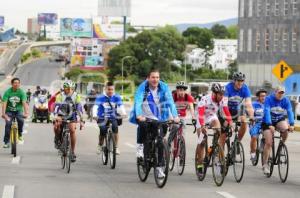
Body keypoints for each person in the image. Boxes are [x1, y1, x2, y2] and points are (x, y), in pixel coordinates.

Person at [130, 69, 180, 179]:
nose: (155, 79)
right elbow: (138, 101)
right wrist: (139, 115)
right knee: (142, 127)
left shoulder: (164, 87)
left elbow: (170, 102)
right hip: (145, 117)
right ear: (148, 78)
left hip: (160, 118)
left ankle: (159, 168)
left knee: (160, 142)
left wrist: (175, 116)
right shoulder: (143, 87)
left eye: (157, 77)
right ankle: (140, 146)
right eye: (153, 77)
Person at [195, 83, 232, 176]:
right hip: (201, 117)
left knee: (219, 130)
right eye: (220, 94)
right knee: (202, 141)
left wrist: (230, 122)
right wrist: (203, 126)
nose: (221, 96)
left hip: (212, 116)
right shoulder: (205, 99)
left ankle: (214, 147)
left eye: (223, 94)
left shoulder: (223, 99)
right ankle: (199, 165)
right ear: (214, 93)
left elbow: (226, 111)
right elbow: (201, 113)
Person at [261, 86, 294, 175]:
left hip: (279, 119)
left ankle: (281, 145)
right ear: (275, 92)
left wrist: (291, 124)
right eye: (279, 92)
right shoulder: (268, 99)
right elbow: (267, 111)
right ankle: (265, 164)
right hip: (267, 121)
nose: (281, 95)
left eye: (282, 93)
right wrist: (269, 124)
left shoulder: (285, 100)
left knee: (286, 130)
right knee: (269, 142)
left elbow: (290, 111)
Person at [53, 80, 84, 162]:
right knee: (57, 127)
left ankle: (72, 152)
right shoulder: (60, 95)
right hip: (61, 114)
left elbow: (79, 108)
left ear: (73, 89)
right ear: (64, 88)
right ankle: (57, 139)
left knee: (72, 130)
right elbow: (56, 107)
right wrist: (56, 116)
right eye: (67, 88)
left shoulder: (76, 95)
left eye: (71, 88)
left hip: (72, 115)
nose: (69, 90)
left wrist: (82, 120)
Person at [93, 82, 126, 155]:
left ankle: (116, 147)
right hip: (102, 117)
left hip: (112, 117)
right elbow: (95, 107)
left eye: (112, 89)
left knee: (115, 128)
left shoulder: (117, 97)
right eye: (109, 89)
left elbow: (121, 106)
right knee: (103, 130)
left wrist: (124, 113)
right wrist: (94, 115)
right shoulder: (100, 97)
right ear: (105, 89)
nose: (110, 91)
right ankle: (100, 145)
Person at [223, 72, 254, 143]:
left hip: (237, 109)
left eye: (242, 81)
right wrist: (228, 120)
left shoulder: (245, 88)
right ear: (234, 81)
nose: (240, 83)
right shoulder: (228, 87)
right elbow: (224, 105)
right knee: (223, 134)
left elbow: (248, 103)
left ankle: (237, 142)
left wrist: (252, 116)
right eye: (238, 81)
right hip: (226, 109)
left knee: (244, 121)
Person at [1, 78, 29, 148]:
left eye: (18, 83)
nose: (16, 84)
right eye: (15, 83)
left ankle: (19, 134)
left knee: (21, 120)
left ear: (19, 84)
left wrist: (26, 113)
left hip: (18, 111)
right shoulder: (7, 92)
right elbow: (4, 103)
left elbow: (24, 103)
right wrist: (3, 113)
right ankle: (6, 142)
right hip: (9, 111)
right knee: (8, 124)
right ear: (12, 84)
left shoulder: (22, 92)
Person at [249, 89, 267, 162]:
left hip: (264, 123)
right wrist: (251, 117)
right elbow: (250, 113)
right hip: (255, 123)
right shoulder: (254, 104)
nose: (264, 98)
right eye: (262, 96)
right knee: (254, 137)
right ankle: (253, 153)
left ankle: (263, 141)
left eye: (265, 96)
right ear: (258, 97)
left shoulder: (267, 104)